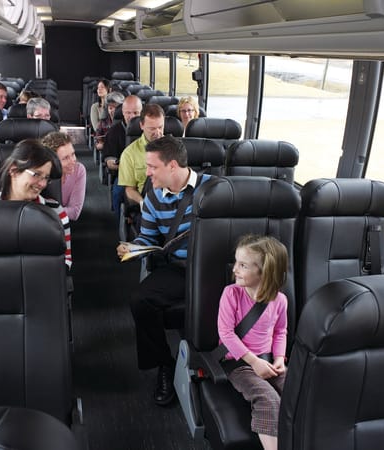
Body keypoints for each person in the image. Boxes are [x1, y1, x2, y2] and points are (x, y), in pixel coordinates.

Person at [116, 135, 212, 406]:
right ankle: (164, 364)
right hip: (180, 268)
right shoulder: (153, 198)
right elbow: (147, 237)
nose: (147, 173)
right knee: (140, 300)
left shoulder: (215, 188)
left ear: (172, 165)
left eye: (152, 167)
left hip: (218, 268)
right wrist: (133, 247)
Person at [217, 234, 288, 450]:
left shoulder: (280, 300)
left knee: (296, 390)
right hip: (238, 363)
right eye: (236, 262)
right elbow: (226, 333)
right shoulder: (231, 294)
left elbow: (280, 331)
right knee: (268, 399)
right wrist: (254, 362)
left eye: (243, 265)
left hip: (268, 360)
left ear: (264, 271)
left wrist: (279, 358)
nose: (234, 269)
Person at [0, 139, 72, 270]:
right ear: (14, 171)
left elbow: (66, 260)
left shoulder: (55, 212)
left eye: (46, 178)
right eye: (36, 174)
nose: (43, 184)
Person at [118, 103, 165, 211]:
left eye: (160, 127)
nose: (157, 132)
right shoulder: (129, 154)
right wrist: (143, 203)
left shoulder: (175, 148)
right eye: (152, 129)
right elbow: (129, 190)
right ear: (141, 126)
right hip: (147, 202)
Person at [102, 95, 142, 219]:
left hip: (148, 173)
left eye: (136, 113)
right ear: (123, 113)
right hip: (123, 173)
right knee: (118, 192)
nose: (132, 116)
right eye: (128, 113)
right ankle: (120, 222)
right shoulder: (114, 132)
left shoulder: (148, 129)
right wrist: (125, 165)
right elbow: (109, 161)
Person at [41, 131, 87, 221]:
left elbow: (74, 213)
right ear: (52, 162)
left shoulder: (78, 170)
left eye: (73, 154)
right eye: (65, 158)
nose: (73, 161)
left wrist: (44, 211)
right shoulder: (40, 176)